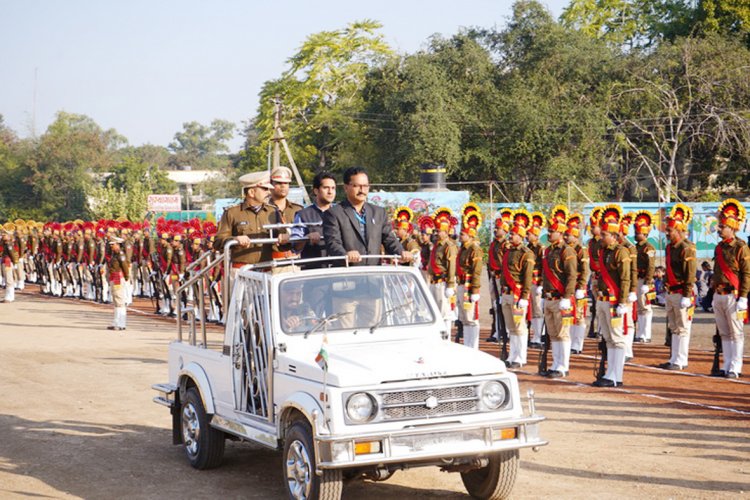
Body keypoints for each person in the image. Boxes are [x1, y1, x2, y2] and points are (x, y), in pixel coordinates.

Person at [322, 166, 408, 265]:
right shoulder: (334, 213)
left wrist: (402, 252)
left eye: (365, 186)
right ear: (346, 188)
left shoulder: (379, 213)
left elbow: (389, 239)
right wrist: (345, 255)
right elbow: (332, 243)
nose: (362, 190)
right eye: (356, 186)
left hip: (373, 274)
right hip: (347, 274)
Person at [213, 171, 289, 272]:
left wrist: (285, 237)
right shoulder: (232, 213)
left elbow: (283, 242)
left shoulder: (273, 212)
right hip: (241, 271)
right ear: (251, 192)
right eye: (264, 189)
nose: (269, 193)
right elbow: (218, 242)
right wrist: (235, 239)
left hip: (265, 271)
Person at [593, 205, 631, 387]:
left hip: (614, 301)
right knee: (608, 338)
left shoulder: (621, 252)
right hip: (602, 300)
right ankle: (610, 373)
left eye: (605, 234)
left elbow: (625, 278)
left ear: (614, 236)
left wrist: (622, 301)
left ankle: (617, 376)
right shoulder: (604, 252)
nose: (601, 236)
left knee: (617, 338)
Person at [711, 199, 749, 378]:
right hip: (718, 294)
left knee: (736, 333)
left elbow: (746, 274)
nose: (719, 229)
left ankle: (735, 366)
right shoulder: (719, 247)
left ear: (732, 227)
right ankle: (726, 364)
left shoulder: (741, 247)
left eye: (722, 226)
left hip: (734, 296)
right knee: (724, 333)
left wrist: (743, 297)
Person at [542, 206, 578, 378]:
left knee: (563, 333)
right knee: (553, 333)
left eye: (552, 231)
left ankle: (563, 366)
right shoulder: (548, 251)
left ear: (561, 233)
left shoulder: (567, 251)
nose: (549, 234)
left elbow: (572, 276)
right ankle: (555, 363)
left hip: (560, 298)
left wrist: (567, 296)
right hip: (549, 297)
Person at [660, 203, 697, 371]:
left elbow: (689, 273)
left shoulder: (686, 248)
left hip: (682, 292)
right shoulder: (669, 248)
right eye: (667, 230)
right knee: (674, 327)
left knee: (682, 328)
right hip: (670, 291)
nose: (667, 233)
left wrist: (687, 295)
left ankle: (681, 360)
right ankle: (673, 358)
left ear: (679, 230)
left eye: (670, 230)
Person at [501, 210, 534, 368]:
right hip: (507, 293)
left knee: (520, 327)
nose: (510, 236)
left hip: (517, 294)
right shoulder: (508, 252)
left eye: (513, 234)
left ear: (520, 237)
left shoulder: (526, 254)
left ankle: (520, 357)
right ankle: (512, 355)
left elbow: (527, 277)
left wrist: (525, 297)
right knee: (511, 327)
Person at [292, 171, 336, 265]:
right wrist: (306, 238)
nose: (330, 191)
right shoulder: (302, 215)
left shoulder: (341, 213)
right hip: (312, 272)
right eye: (326, 188)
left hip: (338, 270)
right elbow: (295, 246)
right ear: (316, 191)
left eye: (333, 188)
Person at [456, 207, 484, 349]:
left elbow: (476, 272)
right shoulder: (463, 248)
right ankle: (467, 346)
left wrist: (475, 291)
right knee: (464, 318)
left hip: (469, 286)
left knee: (471, 318)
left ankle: (473, 346)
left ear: (470, 235)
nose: (460, 236)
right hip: (461, 284)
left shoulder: (475, 250)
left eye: (462, 234)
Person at [428, 208, 459, 334]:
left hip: (443, 282)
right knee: (436, 311)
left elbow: (451, 266)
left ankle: (446, 337)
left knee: (445, 313)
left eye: (439, 231)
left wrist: (450, 285)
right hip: (435, 281)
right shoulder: (437, 245)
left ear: (446, 232)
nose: (437, 233)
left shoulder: (449, 246)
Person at [486, 208, 513, 343]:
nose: (496, 230)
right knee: (496, 305)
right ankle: (497, 331)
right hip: (493, 277)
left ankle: (506, 331)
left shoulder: (506, 245)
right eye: (496, 228)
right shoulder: (493, 244)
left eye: (498, 228)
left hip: (502, 278)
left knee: (504, 305)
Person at [564, 213, 589, 355]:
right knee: (569, 314)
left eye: (568, 235)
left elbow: (585, 270)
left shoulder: (581, 250)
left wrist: (581, 286)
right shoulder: (565, 249)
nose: (566, 238)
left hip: (578, 285)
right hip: (568, 285)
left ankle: (577, 344)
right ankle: (570, 341)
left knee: (579, 316)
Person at [616, 213, 638, 361]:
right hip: (615, 287)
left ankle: (628, 350)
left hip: (626, 286)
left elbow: (633, 270)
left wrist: (632, 289)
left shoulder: (629, 248)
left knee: (627, 321)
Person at [269, 166, 302, 260]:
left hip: (295, 260)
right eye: (279, 183)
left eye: (286, 183)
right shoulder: (264, 210)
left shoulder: (298, 209)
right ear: (271, 184)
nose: (283, 186)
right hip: (271, 261)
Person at [633, 210, 656, 343]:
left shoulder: (649, 248)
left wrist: (647, 282)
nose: (636, 235)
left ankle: (645, 334)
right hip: (637, 279)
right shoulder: (636, 247)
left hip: (644, 280)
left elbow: (651, 266)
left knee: (645, 308)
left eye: (638, 233)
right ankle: (640, 333)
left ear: (645, 234)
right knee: (639, 307)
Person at [526, 212, 546, 348]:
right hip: (529, 282)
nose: (527, 236)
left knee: (538, 310)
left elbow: (544, 267)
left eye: (529, 234)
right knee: (532, 310)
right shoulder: (528, 248)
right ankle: (535, 334)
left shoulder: (540, 248)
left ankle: (539, 336)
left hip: (537, 281)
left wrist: (542, 284)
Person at [587, 207, 604, 339]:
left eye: (594, 226)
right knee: (594, 304)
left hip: (602, 275)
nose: (592, 229)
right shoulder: (591, 242)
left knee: (600, 303)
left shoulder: (602, 243)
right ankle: (594, 328)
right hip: (594, 275)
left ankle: (600, 329)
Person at [107, 236, 130, 331]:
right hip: (114, 277)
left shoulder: (120, 254)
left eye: (113, 244)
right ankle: (116, 321)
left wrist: (126, 278)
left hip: (118, 278)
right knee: (116, 301)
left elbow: (125, 267)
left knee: (119, 301)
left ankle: (121, 323)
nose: (111, 246)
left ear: (117, 244)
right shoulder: (115, 254)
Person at [1, 223, 18, 303]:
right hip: (5, 261)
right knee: (7, 278)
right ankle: (9, 296)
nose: (3, 235)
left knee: (9, 279)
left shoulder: (9, 244)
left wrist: (15, 263)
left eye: (5, 234)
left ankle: (10, 296)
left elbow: (12, 254)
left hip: (8, 262)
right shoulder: (5, 243)